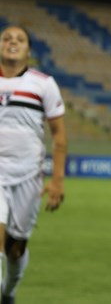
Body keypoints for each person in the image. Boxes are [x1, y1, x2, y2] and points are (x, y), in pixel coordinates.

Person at [0, 25, 67, 304]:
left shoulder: (43, 84)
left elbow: (59, 135)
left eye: (20, 39)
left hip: (28, 175)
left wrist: (57, 180)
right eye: (6, 38)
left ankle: (8, 292)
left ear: (28, 49)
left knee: (15, 249)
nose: (12, 42)